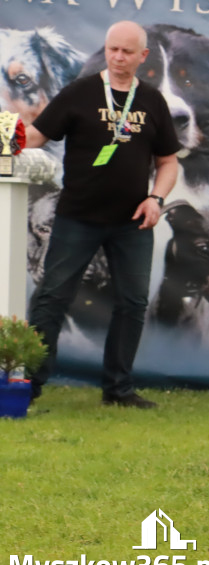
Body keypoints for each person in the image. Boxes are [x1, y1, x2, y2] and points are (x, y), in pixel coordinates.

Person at [24, 20, 180, 409]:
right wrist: (5, 135)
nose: (118, 57)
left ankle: (119, 390)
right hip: (77, 215)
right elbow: (38, 135)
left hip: (132, 222)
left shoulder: (153, 101)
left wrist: (156, 199)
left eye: (127, 51)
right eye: (112, 49)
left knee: (133, 304)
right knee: (52, 297)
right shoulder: (80, 92)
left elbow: (168, 162)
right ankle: (29, 385)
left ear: (143, 57)